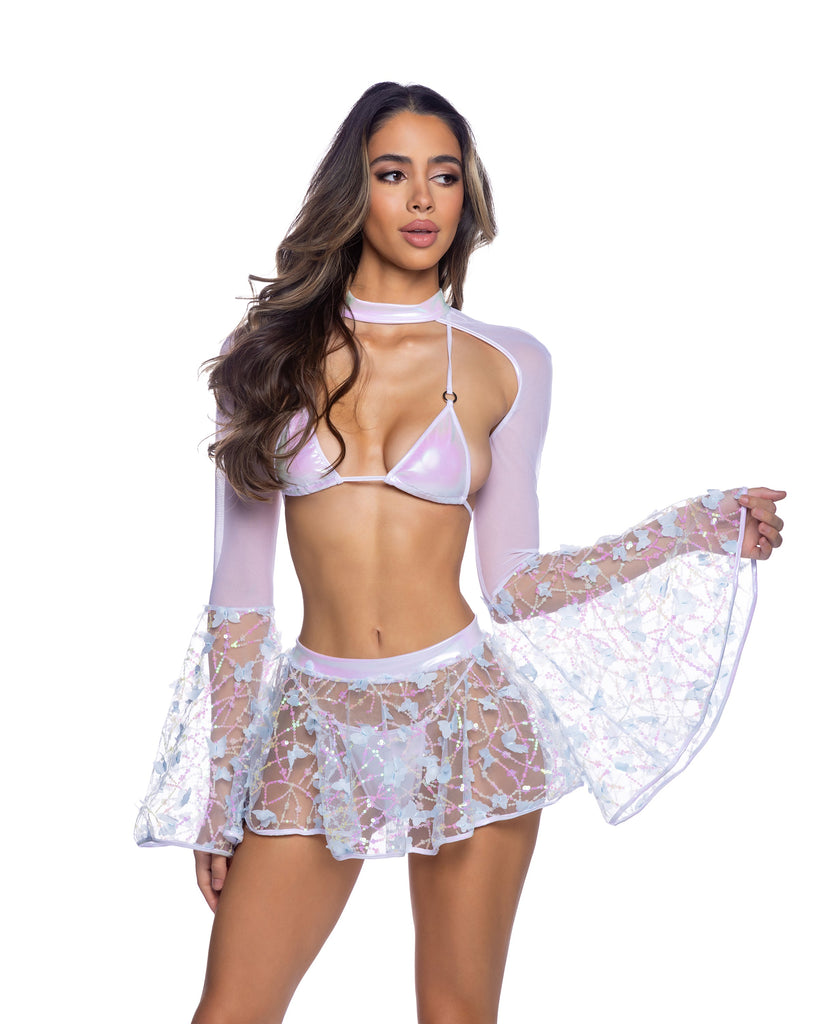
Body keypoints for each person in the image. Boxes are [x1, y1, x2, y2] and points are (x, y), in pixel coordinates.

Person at [134, 82, 785, 1024]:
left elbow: (515, 585)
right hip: (314, 727)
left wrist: (688, 529)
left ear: (465, 196)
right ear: (353, 192)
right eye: (392, 174)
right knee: (230, 1011)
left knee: (454, 1014)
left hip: (466, 721)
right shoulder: (268, 353)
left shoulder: (508, 362)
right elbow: (240, 599)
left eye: (443, 176)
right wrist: (220, 789)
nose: (422, 199)